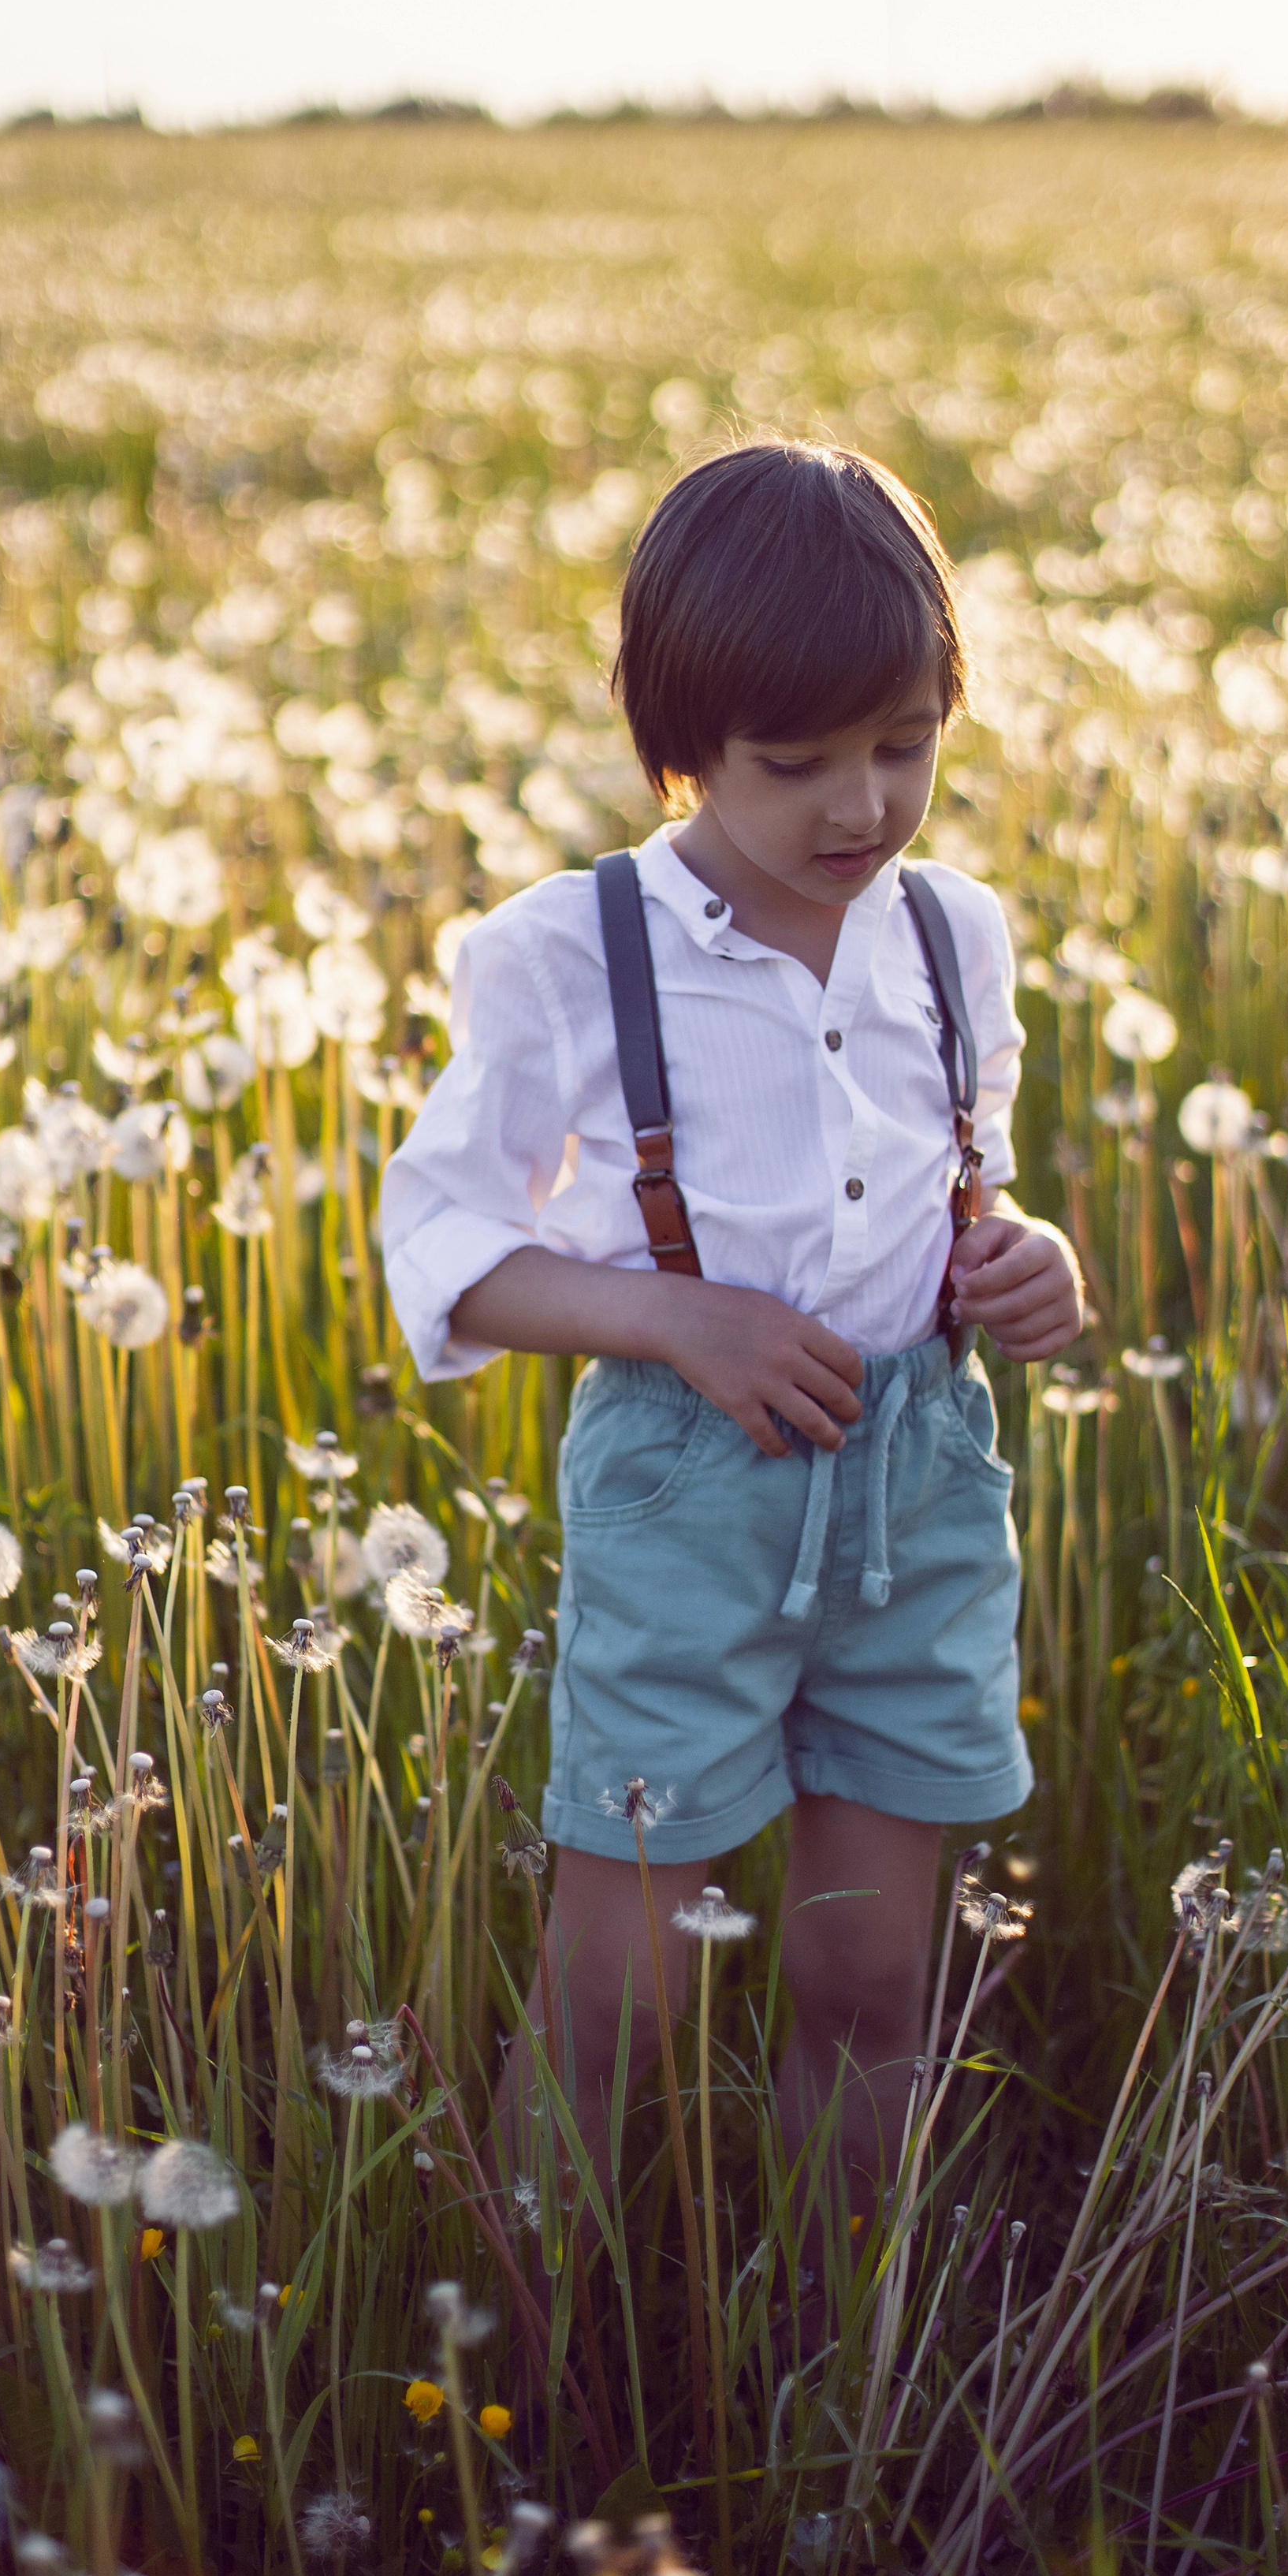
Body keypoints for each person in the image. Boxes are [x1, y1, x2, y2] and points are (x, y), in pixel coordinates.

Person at [381, 439, 1085, 2226]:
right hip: (688, 1501)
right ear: (681, 741)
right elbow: (443, 1254)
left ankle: (840, 2339)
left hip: (919, 1493)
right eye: (798, 763)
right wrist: (672, 1319)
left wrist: (1020, 1262)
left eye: (905, 745)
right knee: (619, 1996)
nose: (864, 804)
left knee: (872, 1984)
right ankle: (513, 2344)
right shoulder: (571, 952)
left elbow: (958, 1191)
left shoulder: (955, 935)